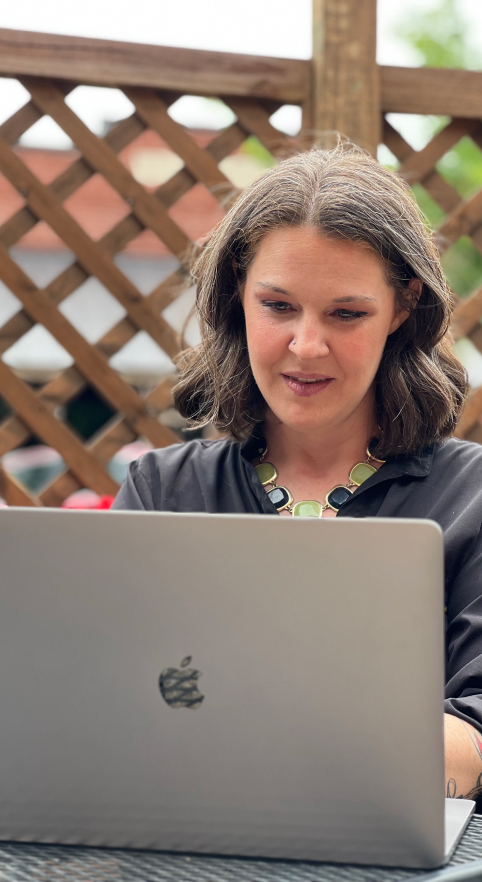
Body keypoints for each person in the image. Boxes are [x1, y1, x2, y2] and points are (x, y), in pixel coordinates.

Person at [112, 144, 482, 804]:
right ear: (238, 293)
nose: (306, 346)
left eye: (346, 313)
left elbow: (473, 740)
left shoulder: (471, 498)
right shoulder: (160, 493)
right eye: (278, 306)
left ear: (404, 307)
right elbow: (102, 705)